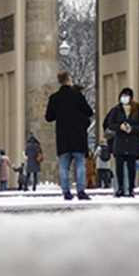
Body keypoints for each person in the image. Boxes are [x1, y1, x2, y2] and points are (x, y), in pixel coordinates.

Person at [44, 71, 94, 201]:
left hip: (63, 137)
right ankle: (81, 191)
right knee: (80, 164)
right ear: (68, 79)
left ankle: (66, 191)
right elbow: (89, 112)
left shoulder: (54, 98)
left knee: (64, 166)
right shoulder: (77, 95)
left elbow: (49, 117)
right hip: (78, 135)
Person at [103, 87, 139, 198]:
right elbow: (110, 124)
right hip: (120, 143)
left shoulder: (138, 109)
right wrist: (119, 127)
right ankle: (120, 188)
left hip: (132, 142)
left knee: (131, 167)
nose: (124, 98)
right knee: (119, 167)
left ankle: (131, 187)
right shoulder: (116, 110)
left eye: (127, 96)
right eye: (123, 96)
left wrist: (133, 129)